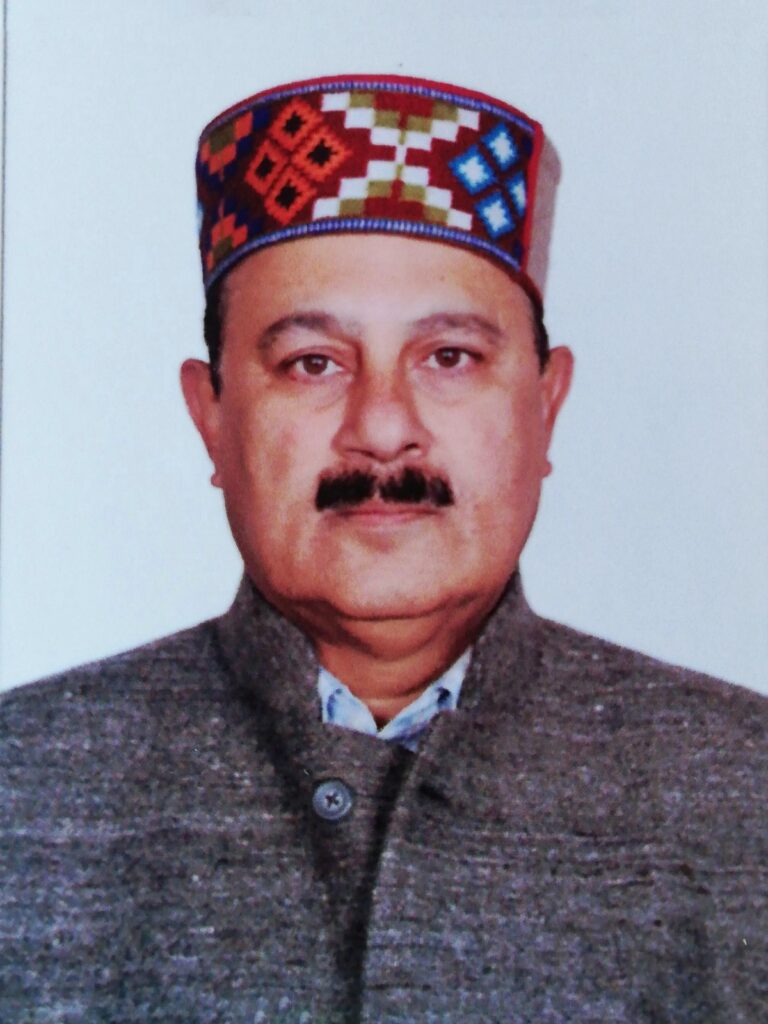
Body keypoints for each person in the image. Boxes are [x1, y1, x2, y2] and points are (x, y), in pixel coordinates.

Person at [1, 74, 765, 1024]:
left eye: (449, 357)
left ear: (546, 405)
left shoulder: (746, 791)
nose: (382, 430)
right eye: (312, 363)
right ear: (211, 418)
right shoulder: (22, 785)